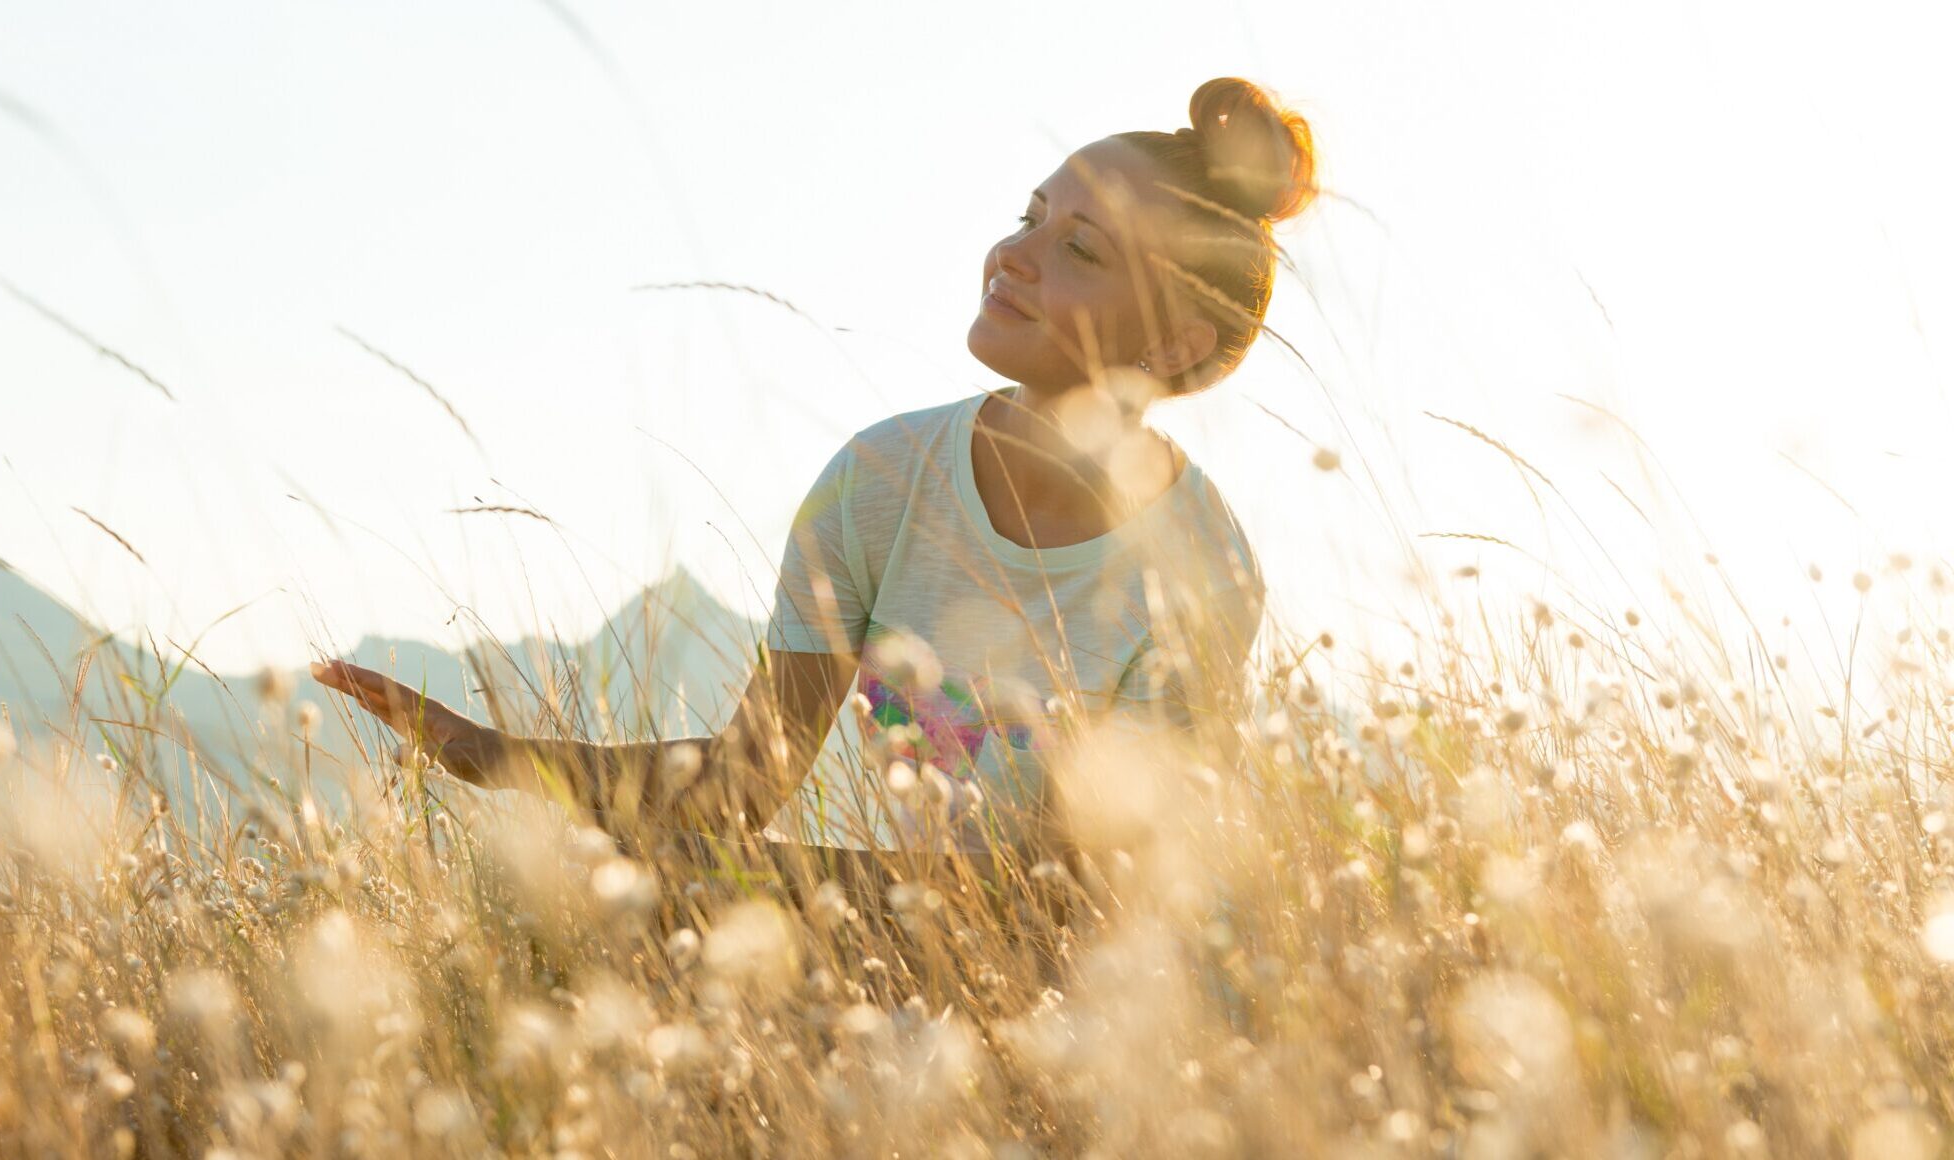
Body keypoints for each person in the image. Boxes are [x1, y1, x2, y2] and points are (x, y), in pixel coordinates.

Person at [314, 76, 1314, 870]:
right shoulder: (879, 482)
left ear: (1173, 346)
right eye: (1029, 215)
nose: (1014, 254)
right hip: (907, 948)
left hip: (1099, 994)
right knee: (654, 887)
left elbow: (1094, 892)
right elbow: (743, 784)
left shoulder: (1201, 568)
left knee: (687, 889)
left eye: (1079, 249)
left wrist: (778, 884)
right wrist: (489, 755)